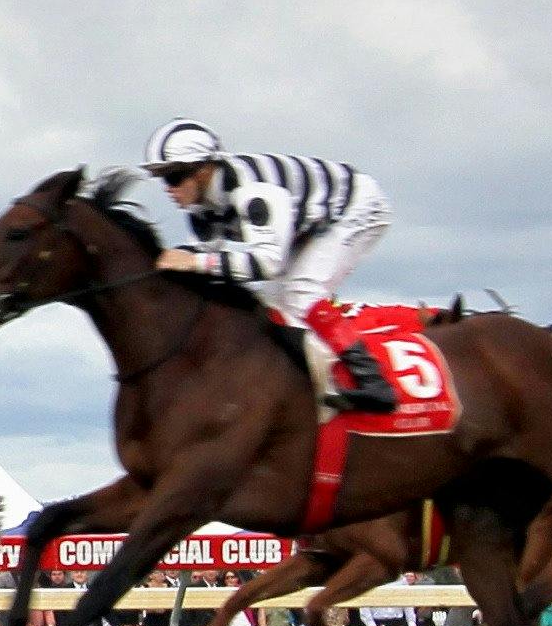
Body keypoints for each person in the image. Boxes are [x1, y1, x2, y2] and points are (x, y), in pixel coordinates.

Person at [141, 121, 400, 412]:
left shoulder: (253, 193)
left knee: (303, 292)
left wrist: (196, 262)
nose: (168, 189)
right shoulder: (203, 207)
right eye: (162, 179)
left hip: (357, 206)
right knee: (275, 308)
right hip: (310, 222)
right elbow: (196, 254)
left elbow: (266, 264)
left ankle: (374, 383)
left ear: (203, 170)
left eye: (174, 177)